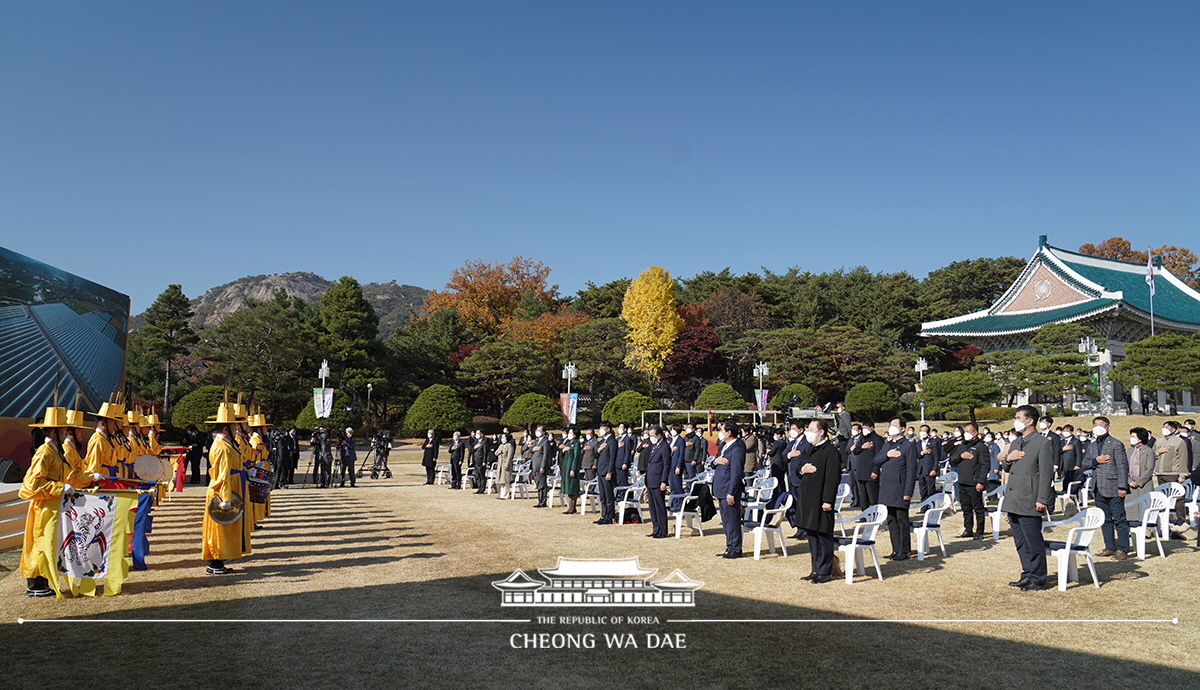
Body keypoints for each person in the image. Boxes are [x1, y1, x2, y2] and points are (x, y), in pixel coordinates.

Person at [20, 404, 98, 596]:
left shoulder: (55, 451)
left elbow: (69, 476)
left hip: (55, 507)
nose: (66, 432)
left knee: (51, 544)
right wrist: (59, 487)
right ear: (54, 431)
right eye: (63, 428)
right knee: (40, 544)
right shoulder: (44, 453)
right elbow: (30, 485)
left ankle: (46, 582)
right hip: (44, 508)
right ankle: (36, 585)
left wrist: (89, 478)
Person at [1001, 405, 1056, 591]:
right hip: (1014, 498)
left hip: (1030, 499)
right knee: (1020, 541)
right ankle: (1027, 573)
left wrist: (1042, 499)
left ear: (1030, 420)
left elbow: (1047, 474)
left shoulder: (1042, 443)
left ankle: (1038, 578)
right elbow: (1006, 467)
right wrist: (1009, 458)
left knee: (1033, 542)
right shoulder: (1016, 442)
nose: (1015, 421)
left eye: (1018, 417)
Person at [202, 402, 246, 575]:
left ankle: (219, 560)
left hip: (229, 487)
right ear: (226, 428)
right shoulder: (221, 447)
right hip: (221, 491)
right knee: (218, 528)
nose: (237, 428)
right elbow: (223, 474)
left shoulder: (226, 444)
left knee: (223, 527)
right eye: (234, 425)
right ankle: (215, 563)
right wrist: (226, 497)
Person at [796, 419, 841, 583]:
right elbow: (798, 467)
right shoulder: (811, 449)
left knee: (823, 535)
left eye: (811, 429)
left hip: (822, 499)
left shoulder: (831, 451)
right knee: (812, 535)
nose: (807, 431)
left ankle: (825, 570)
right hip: (808, 498)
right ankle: (816, 568)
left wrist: (828, 500)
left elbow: (832, 478)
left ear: (821, 431)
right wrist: (802, 469)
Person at [1081, 416, 1130, 559]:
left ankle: (1123, 548)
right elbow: (1085, 463)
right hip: (1098, 487)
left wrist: (1122, 486)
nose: (1097, 427)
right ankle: (1109, 546)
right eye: (1095, 424)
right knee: (1105, 519)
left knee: (1119, 518)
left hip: (1114, 486)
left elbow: (1122, 467)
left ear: (1108, 427)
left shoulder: (1116, 444)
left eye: (1101, 424)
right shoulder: (1092, 444)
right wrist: (1096, 461)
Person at [873, 417, 918, 561]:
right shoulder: (887, 445)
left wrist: (908, 492)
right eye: (890, 424)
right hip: (887, 487)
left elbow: (911, 470)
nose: (891, 427)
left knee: (902, 519)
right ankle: (895, 549)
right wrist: (887, 454)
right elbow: (876, 460)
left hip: (900, 488)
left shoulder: (908, 445)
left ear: (902, 429)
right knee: (891, 520)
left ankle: (904, 550)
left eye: (894, 425)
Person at [948, 422, 989, 539]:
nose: (965, 434)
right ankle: (968, 529)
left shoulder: (981, 447)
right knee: (966, 508)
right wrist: (961, 456)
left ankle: (980, 532)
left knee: (978, 509)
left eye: (968, 431)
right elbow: (952, 460)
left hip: (974, 482)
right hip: (962, 481)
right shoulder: (962, 446)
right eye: (964, 431)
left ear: (975, 433)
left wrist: (981, 482)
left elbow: (985, 466)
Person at [712, 421, 746, 559]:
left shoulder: (737, 448)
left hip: (728, 489)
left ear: (729, 432)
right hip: (720, 488)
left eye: (722, 430)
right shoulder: (724, 446)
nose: (720, 432)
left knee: (732, 519)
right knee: (726, 520)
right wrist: (715, 461)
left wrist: (731, 492)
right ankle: (729, 545)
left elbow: (736, 473)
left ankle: (736, 548)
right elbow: (715, 462)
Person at [1153, 421, 1188, 535]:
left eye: (1167, 427)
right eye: (1164, 427)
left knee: (1177, 498)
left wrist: (1182, 474)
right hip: (1160, 472)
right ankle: (1166, 522)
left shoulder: (1179, 442)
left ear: (1173, 429)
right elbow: (1152, 454)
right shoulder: (1159, 441)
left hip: (1173, 472)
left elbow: (1183, 458)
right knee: (1162, 498)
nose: (1165, 429)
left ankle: (1180, 521)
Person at [784, 419, 812, 539]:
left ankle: (806, 530)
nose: (792, 431)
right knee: (795, 505)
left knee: (804, 505)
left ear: (801, 430)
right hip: (792, 479)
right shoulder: (792, 443)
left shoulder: (806, 442)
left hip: (802, 479)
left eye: (794, 429)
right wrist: (790, 455)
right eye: (791, 429)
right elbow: (783, 455)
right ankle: (799, 529)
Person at [645, 425, 671, 538]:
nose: (651, 438)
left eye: (653, 435)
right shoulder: (654, 446)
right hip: (650, 479)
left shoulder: (664, 447)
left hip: (658, 480)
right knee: (652, 506)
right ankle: (656, 528)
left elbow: (666, 465)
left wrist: (663, 481)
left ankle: (662, 530)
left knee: (660, 506)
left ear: (659, 435)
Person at [850, 421, 882, 509]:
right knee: (863, 497)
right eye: (863, 428)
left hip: (871, 472)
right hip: (861, 472)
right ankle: (864, 516)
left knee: (873, 497)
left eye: (866, 428)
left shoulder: (878, 439)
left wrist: (875, 471)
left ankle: (875, 516)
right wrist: (862, 447)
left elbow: (878, 456)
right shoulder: (862, 438)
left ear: (872, 428)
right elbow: (855, 451)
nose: (864, 430)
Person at [595, 422, 618, 524]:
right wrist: (599, 449)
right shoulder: (601, 441)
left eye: (602, 428)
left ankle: (609, 516)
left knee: (609, 496)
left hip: (607, 471)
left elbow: (613, 458)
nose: (601, 430)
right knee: (602, 496)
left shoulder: (612, 441)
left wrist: (610, 471)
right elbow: (595, 454)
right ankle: (603, 515)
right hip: (600, 471)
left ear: (608, 429)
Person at [1127, 427, 1156, 500]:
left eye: (1133, 437)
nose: (1131, 438)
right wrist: (1129, 481)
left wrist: (1138, 482)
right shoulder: (1129, 451)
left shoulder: (1149, 451)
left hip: (1144, 485)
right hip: (1130, 485)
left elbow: (1149, 469)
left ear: (1140, 438)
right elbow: (1125, 468)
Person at [559, 428, 582, 514]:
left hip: (572, 468)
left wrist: (573, 469)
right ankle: (570, 506)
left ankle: (573, 507)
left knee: (572, 488)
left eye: (571, 433)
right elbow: (561, 455)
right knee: (568, 488)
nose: (569, 434)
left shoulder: (576, 444)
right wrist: (562, 450)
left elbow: (576, 458)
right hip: (565, 467)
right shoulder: (568, 443)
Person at [916, 424, 941, 501]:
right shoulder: (918, 443)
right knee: (922, 489)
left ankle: (931, 505)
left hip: (930, 469)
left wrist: (934, 469)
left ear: (928, 432)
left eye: (924, 431)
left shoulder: (933, 443)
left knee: (930, 489)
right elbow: (917, 454)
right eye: (921, 431)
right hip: (921, 470)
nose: (922, 432)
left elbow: (937, 457)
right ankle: (924, 505)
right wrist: (923, 452)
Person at [529, 424, 552, 508]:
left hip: (541, 466)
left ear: (543, 432)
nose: (537, 432)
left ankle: (543, 501)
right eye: (537, 430)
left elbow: (546, 455)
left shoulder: (545, 441)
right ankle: (539, 500)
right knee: (538, 483)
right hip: (535, 465)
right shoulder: (536, 441)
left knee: (542, 484)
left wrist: (543, 466)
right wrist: (533, 449)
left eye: (539, 430)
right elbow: (531, 450)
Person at [668, 424, 686, 511]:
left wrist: (678, 466)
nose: (672, 431)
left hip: (676, 465)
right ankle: (673, 503)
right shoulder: (671, 440)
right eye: (671, 429)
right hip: (670, 465)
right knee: (672, 486)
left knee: (677, 485)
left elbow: (681, 454)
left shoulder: (681, 440)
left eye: (673, 429)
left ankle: (680, 504)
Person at [494, 432, 515, 499]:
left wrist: (507, 465)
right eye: (502, 437)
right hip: (500, 465)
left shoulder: (509, 445)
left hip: (506, 464)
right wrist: (502, 451)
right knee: (501, 481)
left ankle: (506, 495)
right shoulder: (501, 446)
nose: (503, 439)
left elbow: (510, 456)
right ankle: (501, 494)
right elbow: (496, 453)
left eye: (504, 437)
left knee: (506, 480)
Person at [470, 429, 491, 494]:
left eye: (478, 433)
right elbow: (471, 450)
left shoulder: (484, 441)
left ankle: (482, 488)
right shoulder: (476, 441)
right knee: (477, 475)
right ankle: (479, 488)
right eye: (476, 433)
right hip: (475, 461)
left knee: (482, 475)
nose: (477, 435)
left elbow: (485, 452)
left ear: (482, 434)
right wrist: (474, 447)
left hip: (481, 460)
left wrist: (484, 461)